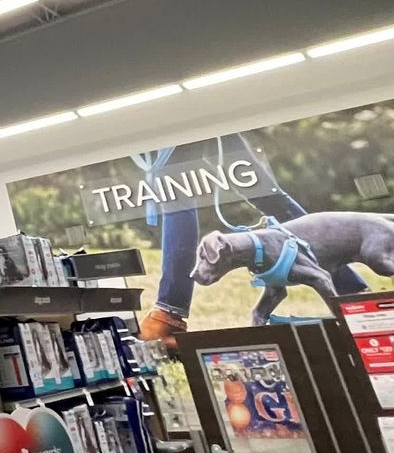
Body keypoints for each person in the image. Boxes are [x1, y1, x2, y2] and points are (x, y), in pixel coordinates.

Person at [134, 133, 368, 343]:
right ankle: (354, 293)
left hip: (188, 107)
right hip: (193, 108)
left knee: (175, 188)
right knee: (260, 190)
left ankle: (169, 315)